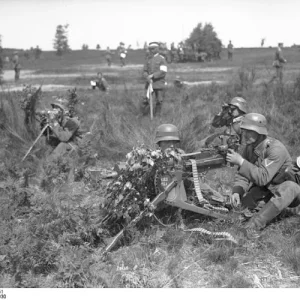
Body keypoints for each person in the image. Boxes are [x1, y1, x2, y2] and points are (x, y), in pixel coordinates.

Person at [226, 113, 300, 236]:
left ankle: (252, 227)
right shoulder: (250, 148)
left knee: (289, 187)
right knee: (238, 212)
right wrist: (237, 190)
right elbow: (243, 174)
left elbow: (262, 178)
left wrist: (240, 161)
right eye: (244, 131)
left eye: (249, 131)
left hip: (291, 193)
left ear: (259, 132)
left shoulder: (276, 149)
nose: (245, 135)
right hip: (267, 188)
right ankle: (237, 221)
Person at [142, 42, 168, 116]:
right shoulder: (148, 59)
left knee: (159, 100)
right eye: (150, 49)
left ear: (157, 49)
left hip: (158, 83)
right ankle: (145, 115)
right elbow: (144, 70)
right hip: (149, 83)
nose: (151, 50)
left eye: (153, 49)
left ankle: (157, 115)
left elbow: (163, 71)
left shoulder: (161, 59)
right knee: (146, 100)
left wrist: (153, 76)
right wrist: (147, 77)